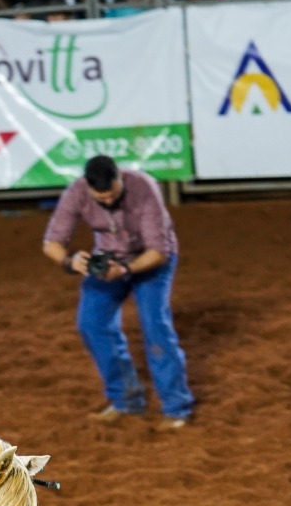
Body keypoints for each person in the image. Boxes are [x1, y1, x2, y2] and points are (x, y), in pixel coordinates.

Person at [41, 155, 194, 430]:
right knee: (92, 324)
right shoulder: (76, 192)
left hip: (150, 262)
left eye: (113, 195)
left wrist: (124, 270)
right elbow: (52, 242)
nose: (109, 202)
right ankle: (126, 400)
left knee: (156, 328)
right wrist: (70, 261)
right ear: (88, 188)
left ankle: (176, 407)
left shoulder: (143, 187)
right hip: (109, 259)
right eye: (101, 198)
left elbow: (158, 251)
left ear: (121, 178)